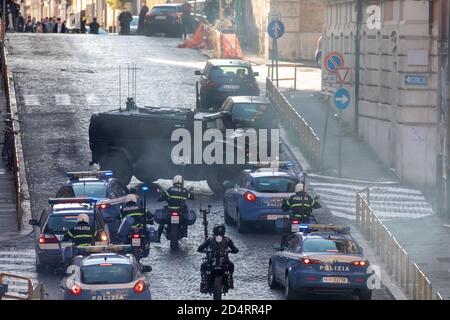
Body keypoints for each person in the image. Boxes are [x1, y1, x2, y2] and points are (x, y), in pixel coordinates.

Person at [197, 224, 239, 292]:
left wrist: (201, 250)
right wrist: (231, 251)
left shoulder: (210, 239)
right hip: (224, 261)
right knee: (231, 265)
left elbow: (201, 247)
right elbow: (235, 250)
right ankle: (230, 279)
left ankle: (204, 281)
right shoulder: (227, 239)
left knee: (203, 266)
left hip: (211, 260)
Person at [156, 175, 194, 242]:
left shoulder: (170, 190)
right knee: (186, 216)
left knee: (162, 222)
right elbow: (192, 197)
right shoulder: (184, 191)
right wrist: (190, 193)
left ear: (174, 182)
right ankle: (185, 232)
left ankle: (158, 237)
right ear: (182, 182)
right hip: (181, 212)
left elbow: (162, 197)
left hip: (170, 211)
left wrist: (160, 198)